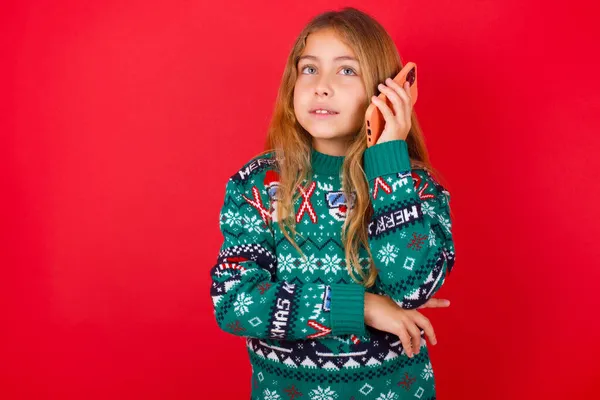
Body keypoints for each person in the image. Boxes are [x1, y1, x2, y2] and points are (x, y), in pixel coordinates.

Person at [210, 7, 456, 399]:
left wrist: (388, 162)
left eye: (346, 70)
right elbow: (235, 303)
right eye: (309, 69)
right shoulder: (258, 184)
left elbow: (413, 290)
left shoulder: (414, 185)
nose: (321, 86)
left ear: (385, 90)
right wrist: (360, 307)